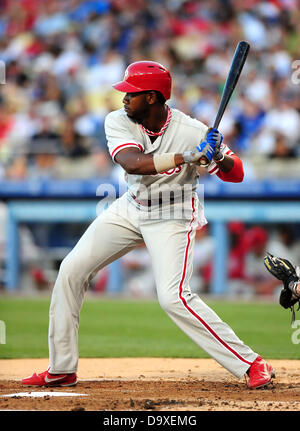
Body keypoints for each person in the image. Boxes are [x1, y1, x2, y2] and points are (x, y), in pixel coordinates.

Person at [22, 61, 274, 389]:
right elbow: (133, 163)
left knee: (173, 297)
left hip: (173, 214)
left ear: (153, 98)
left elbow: (236, 173)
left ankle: (252, 363)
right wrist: (186, 157)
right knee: (71, 270)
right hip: (131, 206)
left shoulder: (193, 129)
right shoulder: (118, 120)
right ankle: (62, 368)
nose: (124, 99)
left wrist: (217, 155)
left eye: (132, 94)